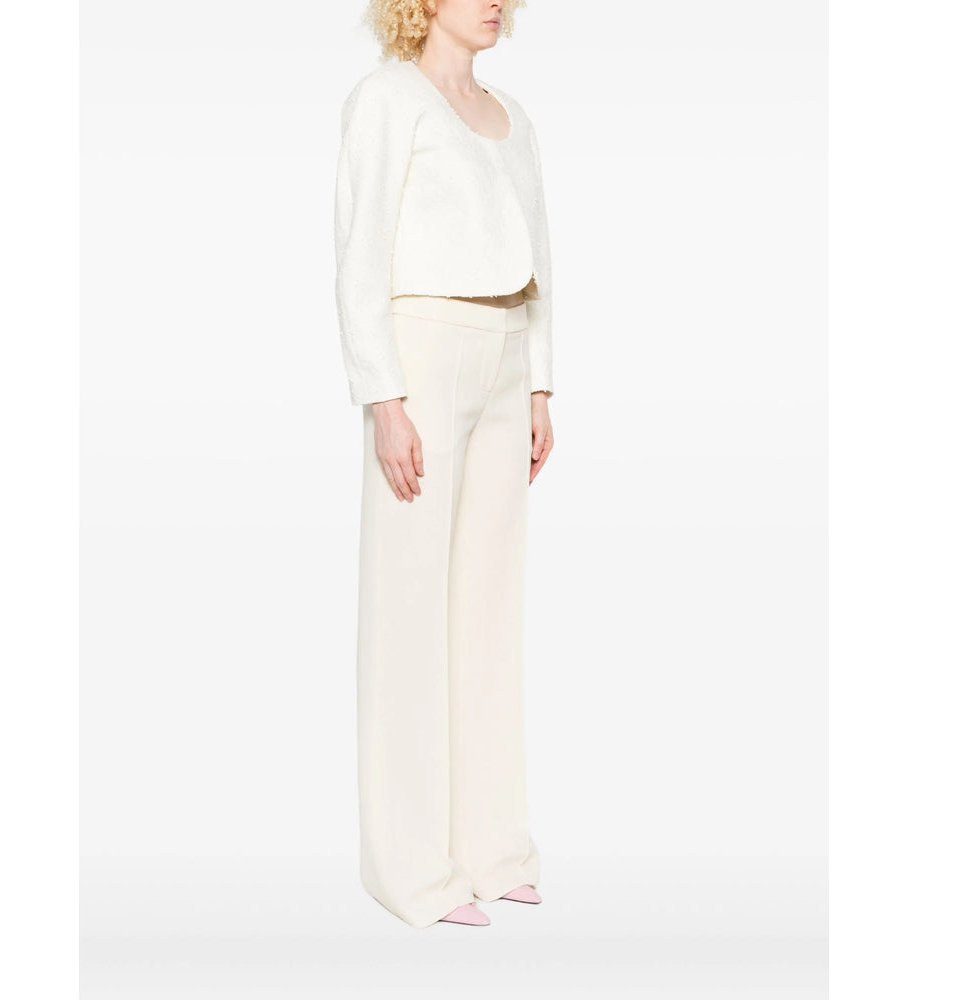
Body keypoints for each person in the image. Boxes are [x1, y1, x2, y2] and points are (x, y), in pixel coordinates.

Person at [333, 0, 555, 929]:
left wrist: (539, 383)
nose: (496, 1)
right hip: (423, 351)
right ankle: (410, 870)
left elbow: (540, 255)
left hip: (506, 352)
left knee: (488, 608)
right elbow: (359, 254)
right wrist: (382, 398)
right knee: (409, 605)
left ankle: (493, 851)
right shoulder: (386, 100)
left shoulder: (512, 117)